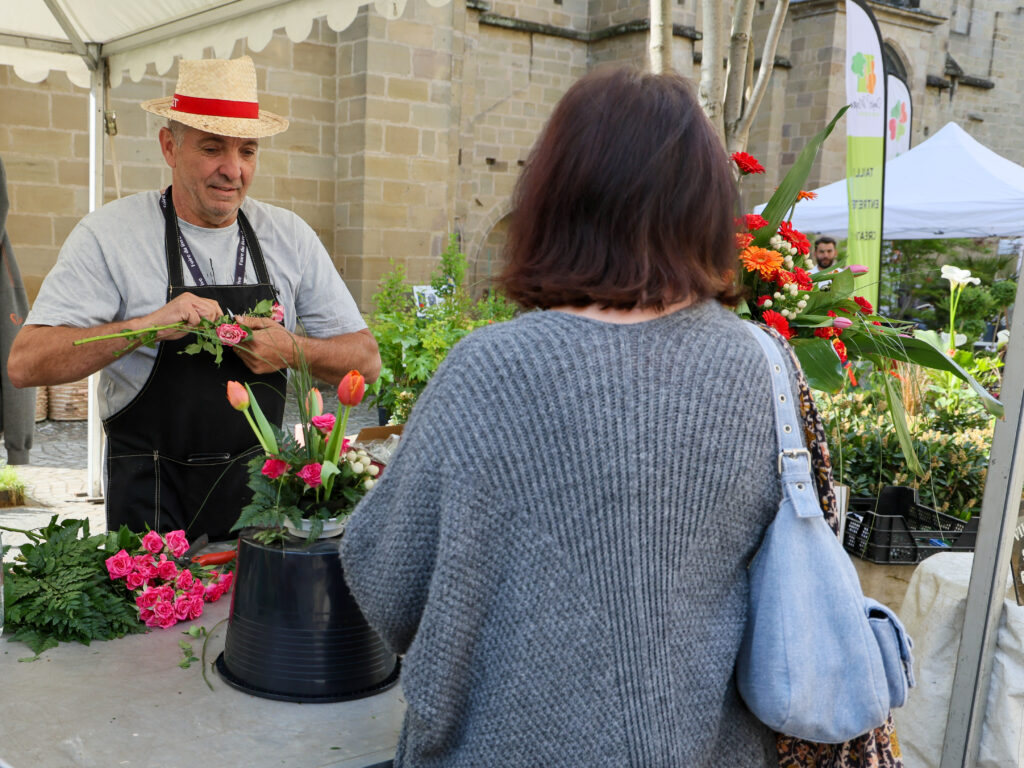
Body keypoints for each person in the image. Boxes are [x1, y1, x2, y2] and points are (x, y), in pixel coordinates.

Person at [340, 66, 796, 767]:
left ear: (558, 194)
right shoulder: (764, 367)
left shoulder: (489, 369)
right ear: (706, 206)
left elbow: (386, 578)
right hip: (707, 749)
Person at [7, 56, 379, 540]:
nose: (233, 170)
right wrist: (147, 327)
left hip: (262, 502)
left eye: (247, 151)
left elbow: (365, 361)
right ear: (169, 146)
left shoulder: (289, 236)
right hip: (149, 499)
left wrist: (293, 351)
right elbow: (25, 363)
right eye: (212, 148)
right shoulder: (110, 234)